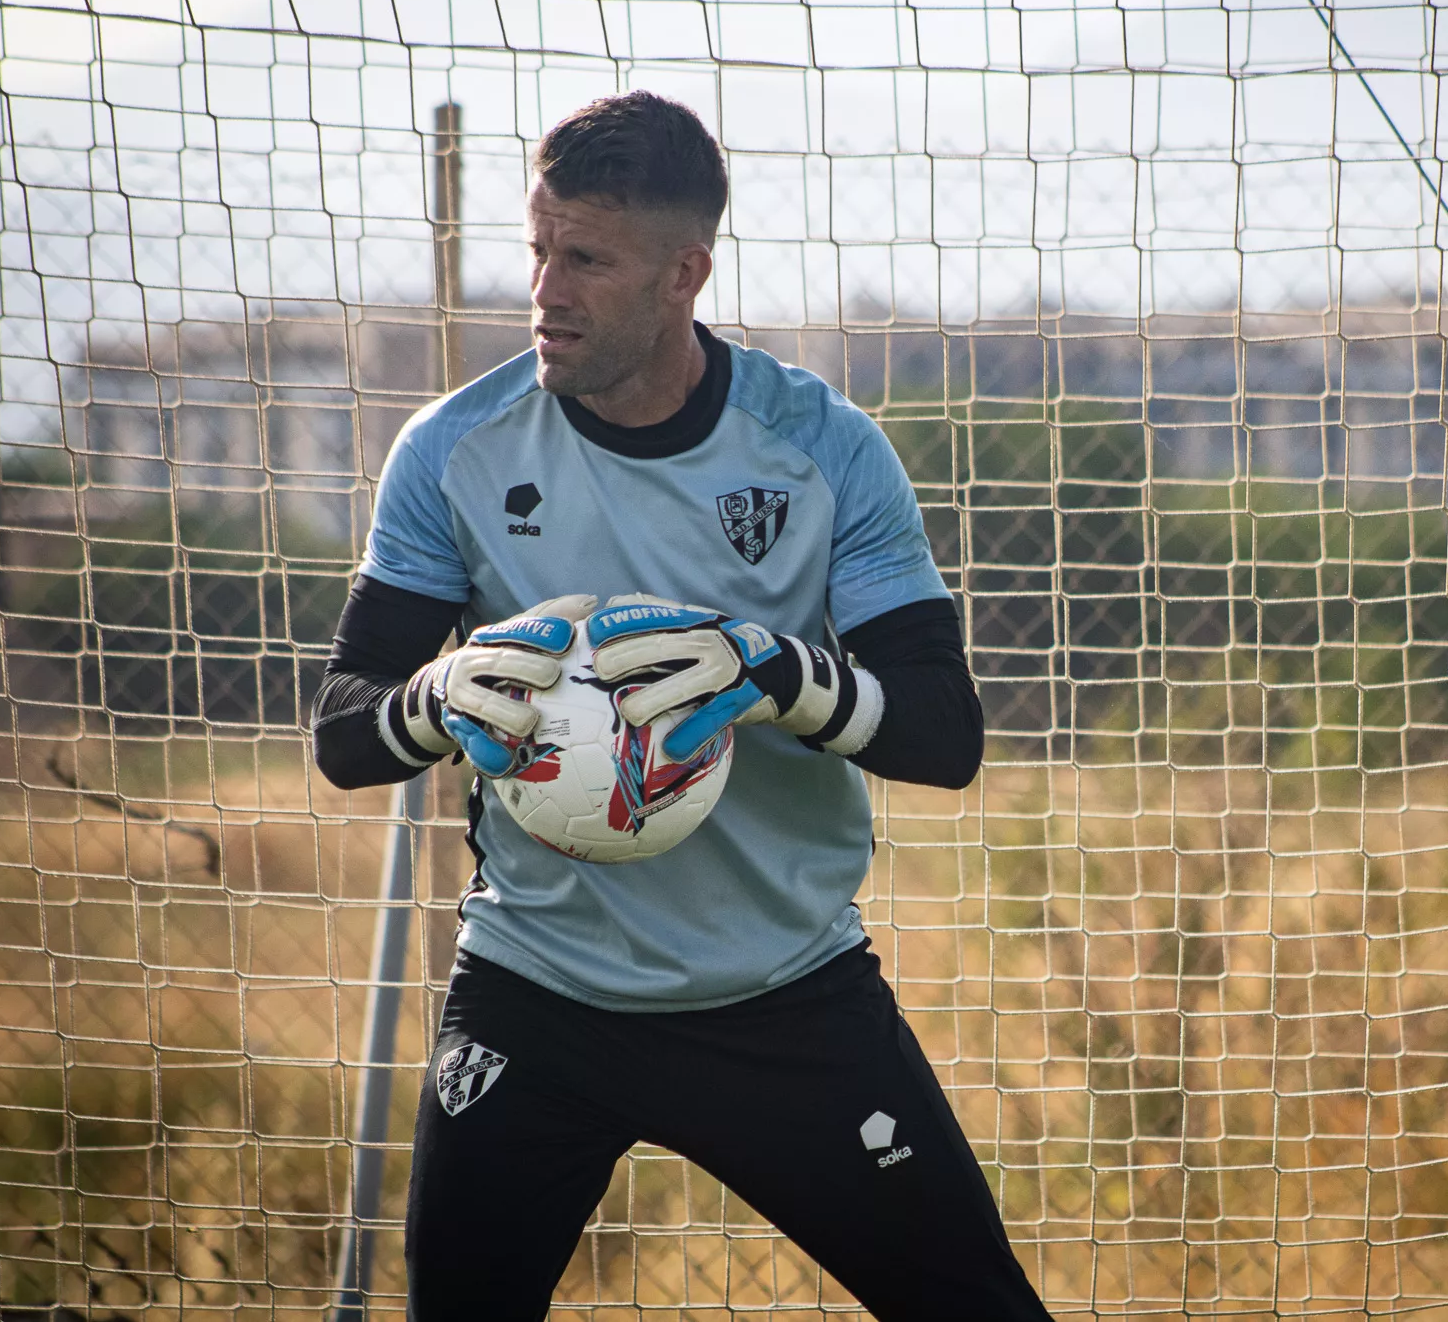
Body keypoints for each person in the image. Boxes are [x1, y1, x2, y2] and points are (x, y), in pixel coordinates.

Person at [311, 90, 1052, 1322]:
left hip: (784, 995)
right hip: (535, 992)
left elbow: (944, 732)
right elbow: (343, 730)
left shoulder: (823, 451)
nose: (546, 289)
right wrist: (435, 697)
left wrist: (777, 676)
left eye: (587, 260)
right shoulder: (454, 449)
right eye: (540, 247)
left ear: (683, 273)